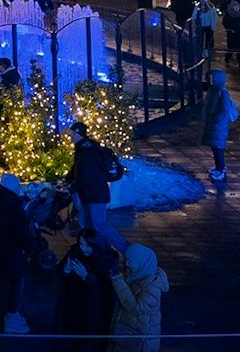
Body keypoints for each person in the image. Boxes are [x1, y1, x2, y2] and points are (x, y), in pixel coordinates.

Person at [66, 122, 129, 250]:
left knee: (98, 224)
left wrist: (73, 186)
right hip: (90, 193)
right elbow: (78, 169)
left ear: (78, 134)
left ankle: (125, 248)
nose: (70, 136)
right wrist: (68, 178)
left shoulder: (86, 151)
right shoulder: (83, 148)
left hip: (95, 194)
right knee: (87, 223)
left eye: (72, 134)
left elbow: (86, 175)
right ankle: (92, 249)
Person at [0, 173, 32, 334]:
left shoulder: (3, 201)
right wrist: (29, 247)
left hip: (4, 248)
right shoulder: (15, 208)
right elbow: (22, 233)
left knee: (13, 282)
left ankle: (12, 313)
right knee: (18, 283)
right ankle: (12, 315)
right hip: (14, 251)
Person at [57, 227, 116, 338]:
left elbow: (106, 291)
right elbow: (60, 272)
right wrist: (66, 270)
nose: (83, 248)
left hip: (93, 310)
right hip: (73, 303)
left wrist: (86, 277)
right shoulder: (74, 252)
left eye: (88, 245)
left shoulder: (107, 259)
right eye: (81, 244)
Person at [109, 243, 169, 352]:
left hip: (140, 342)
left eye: (130, 261)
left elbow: (136, 308)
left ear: (141, 262)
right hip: (129, 334)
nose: (127, 263)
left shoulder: (153, 287)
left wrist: (118, 281)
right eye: (126, 259)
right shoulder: (137, 274)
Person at [198, 68, 238, 180]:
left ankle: (220, 170)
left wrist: (215, 119)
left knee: (218, 148)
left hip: (218, 124)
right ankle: (218, 168)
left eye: (211, 78)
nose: (208, 80)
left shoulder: (221, 92)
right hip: (214, 123)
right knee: (215, 147)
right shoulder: (214, 90)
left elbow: (224, 110)